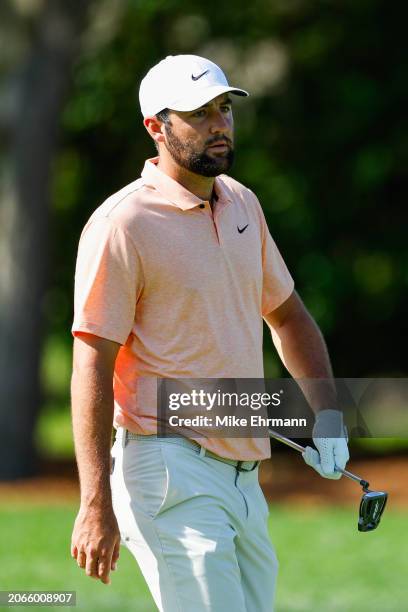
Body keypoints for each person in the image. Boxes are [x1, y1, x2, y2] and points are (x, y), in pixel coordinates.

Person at [70, 54, 349, 611]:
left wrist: (328, 417)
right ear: (156, 126)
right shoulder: (122, 223)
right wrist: (94, 500)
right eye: (198, 113)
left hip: (245, 477)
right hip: (168, 468)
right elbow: (91, 361)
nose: (219, 123)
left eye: (224, 107)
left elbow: (289, 316)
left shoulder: (243, 202)